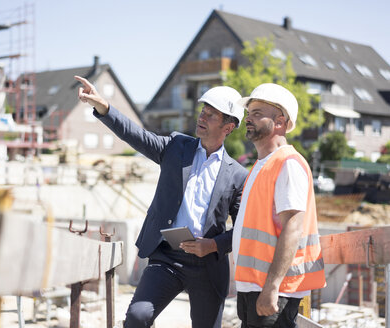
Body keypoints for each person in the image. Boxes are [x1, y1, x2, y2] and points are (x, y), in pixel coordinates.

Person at [74, 75, 249, 328]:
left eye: (211, 115)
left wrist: (212, 245)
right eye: (203, 111)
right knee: (137, 317)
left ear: (228, 127)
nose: (201, 117)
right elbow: (136, 136)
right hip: (168, 258)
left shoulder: (238, 175)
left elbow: (243, 227)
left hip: (208, 265)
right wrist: (104, 107)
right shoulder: (177, 147)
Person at [232, 83, 326, 327]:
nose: (248, 119)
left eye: (257, 113)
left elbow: (293, 229)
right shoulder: (261, 165)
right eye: (248, 113)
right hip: (253, 286)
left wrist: (272, 287)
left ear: (280, 122)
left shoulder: (288, 163)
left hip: (274, 290)